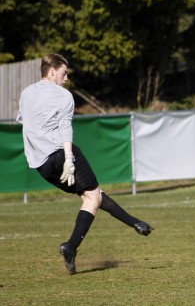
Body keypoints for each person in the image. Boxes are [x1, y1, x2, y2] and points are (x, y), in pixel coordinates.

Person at [17, 53, 154, 274]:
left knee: (91, 195)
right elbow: (65, 128)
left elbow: (27, 125)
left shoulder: (26, 93)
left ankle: (136, 223)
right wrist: (69, 158)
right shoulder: (64, 96)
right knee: (93, 197)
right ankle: (71, 246)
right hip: (61, 154)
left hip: (40, 165)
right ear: (52, 71)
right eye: (64, 73)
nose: (66, 78)